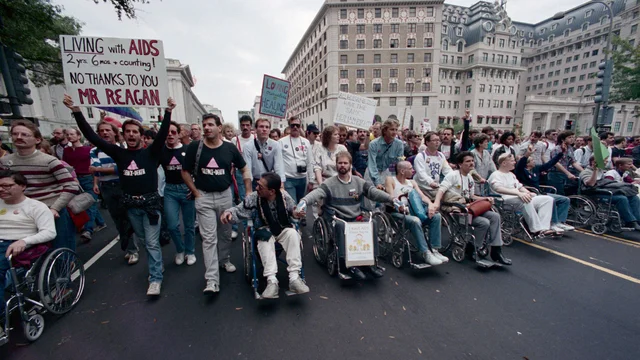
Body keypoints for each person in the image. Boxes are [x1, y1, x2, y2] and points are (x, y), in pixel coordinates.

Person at [65, 94, 174, 297]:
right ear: (123, 135)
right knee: (143, 240)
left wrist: (168, 112)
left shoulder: (151, 153)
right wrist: (77, 111)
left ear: (141, 136)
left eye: (135, 132)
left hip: (150, 206)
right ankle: (157, 264)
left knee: (151, 242)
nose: (132, 135)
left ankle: (155, 278)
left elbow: (162, 134)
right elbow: (92, 137)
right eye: (128, 132)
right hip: (131, 207)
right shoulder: (119, 154)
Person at [182, 113, 252, 294]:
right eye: (204, 125)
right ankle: (212, 280)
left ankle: (224, 259)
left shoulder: (229, 148)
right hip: (203, 198)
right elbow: (184, 172)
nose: (206, 128)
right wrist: (196, 192)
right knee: (209, 238)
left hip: (224, 197)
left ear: (219, 128)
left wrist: (248, 191)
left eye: (210, 124)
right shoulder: (194, 148)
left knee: (226, 233)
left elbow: (244, 168)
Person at [296, 151, 391, 280]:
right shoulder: (329, 183)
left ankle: (371, 262)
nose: (342, 165)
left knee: (372, 223)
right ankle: (347, 264)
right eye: (340, 163)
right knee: (341, 226)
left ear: (350, 165)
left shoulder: (359, 181)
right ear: (336, 165)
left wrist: (391, 199)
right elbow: (317, 193)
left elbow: (373, 192)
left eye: (345, 163)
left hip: (355, 216)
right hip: (337, 218)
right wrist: (304, 201)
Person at [220, 172, 309, 298]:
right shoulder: (253, 198)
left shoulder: (284, 196)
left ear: (272, 191)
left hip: (282, 228)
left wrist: (296, 214)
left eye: (260, 187)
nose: (257, 188)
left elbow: (292, 211)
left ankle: (294, 278)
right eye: (257, 185)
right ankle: (272, 281)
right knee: (265, 239)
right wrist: (228, 212)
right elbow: (238, 210)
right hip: (263, 230)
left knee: (293, 234)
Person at [0, 120, 79, 252]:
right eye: (15, 134)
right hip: (20, 212)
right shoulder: (5, 162)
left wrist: (55, 208)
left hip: (49, 209)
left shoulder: (49, 161)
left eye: (25, 135)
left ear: (37, 139)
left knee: (60, 248)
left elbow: (71, 185)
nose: (19, 137)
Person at [0, 170, 56, 338]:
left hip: (17, 246)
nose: (2, 189)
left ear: (22, 186)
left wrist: (24, 241)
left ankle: (1, 320)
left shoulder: (36, 207)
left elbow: (49, 232)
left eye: (7, 186)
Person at [434, 152, 511, 265]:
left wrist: (485, 198)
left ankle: (496, 250)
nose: (471, 163)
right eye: (468, 161)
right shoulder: (453, 175)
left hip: (469, 208)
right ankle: (475, 247)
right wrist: (436, 203)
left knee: (495, 216)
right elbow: (441, 189)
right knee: (483, 222)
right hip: (456, 209)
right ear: (460, 164)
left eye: (472, 161)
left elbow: (471, 196)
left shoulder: (469, 177)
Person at [89, 121, 138, 264]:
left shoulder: (122, 148)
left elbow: (119, 169)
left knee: (128, 218)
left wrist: (102, 170)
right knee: (117, 219)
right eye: (101, 131)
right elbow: (94, 169)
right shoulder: (94, 151)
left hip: (122, 185)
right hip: (106, 187)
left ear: (115, 133)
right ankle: (129, 247)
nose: (105, 133)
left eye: (107, 130)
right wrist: (96, 183)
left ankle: (132, 249)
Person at [384, 161, 446, 265]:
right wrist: (399, 206)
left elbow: (422, 196)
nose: (413, 170)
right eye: (410, 168)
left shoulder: (412, 182)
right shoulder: (391, 180)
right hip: (397, 213)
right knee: (415, 220)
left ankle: (434, 249)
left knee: (437, 216)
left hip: (415, 211)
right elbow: (391, 197)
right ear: (402, 171)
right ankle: (425, 252)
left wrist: (431, 205)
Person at [490, 153, 559, 236]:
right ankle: (536, 229)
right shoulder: (496, 175)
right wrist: (518, 193)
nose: (514, 162)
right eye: (512, 161)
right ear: (504, 163)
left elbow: (520, 186)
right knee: (526, 199)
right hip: (504, 201)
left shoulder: (511, 175)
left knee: (547, 199)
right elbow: (498, 188)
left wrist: (528, 192)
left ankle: (544, 228)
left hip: (519, 199)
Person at [515, 142, 574, 232]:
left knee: (565, 199)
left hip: (540, 192)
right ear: (527, 164)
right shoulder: (521, 171)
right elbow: (521, 164)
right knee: (551, 199)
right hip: (531, 193)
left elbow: (549, 164)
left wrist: (560, 154)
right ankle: (553, 223)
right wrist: (527, 154)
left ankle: (560, 222)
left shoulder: (536, 169)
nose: (534, 161)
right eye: (532, 160)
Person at [161, 122, 196, 266]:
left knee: (189, 225)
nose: (170, 135)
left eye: (173, 132)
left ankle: (190, 251)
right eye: (167, 132)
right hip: (170, 191)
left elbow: (196, 170)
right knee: (172, 225)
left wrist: (194, 188)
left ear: (179, 134)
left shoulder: (188, 150)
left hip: (186, 189)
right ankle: (180, 250)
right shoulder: (161, 151)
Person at [63, 127, 106, 242]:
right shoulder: (66, 151)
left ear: (78, 136)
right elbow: (65, 166)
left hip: (88, 178)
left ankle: (88, 230)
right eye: (67, 134)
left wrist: (96, 181)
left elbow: (95, 166)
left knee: (90, 202)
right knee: (84, 202)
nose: (69, 136)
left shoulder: (88, 150)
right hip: (74, 179)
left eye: (72, 134)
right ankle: (101, 222)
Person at [580, 156, 640, 231]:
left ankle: (638, 220)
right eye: (603, 161)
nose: (606, 162)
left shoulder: (601, 170)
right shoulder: (585, 172)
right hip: (593, 194)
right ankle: (630, 221)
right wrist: (595, 170)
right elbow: (591, 184)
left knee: (633, 197)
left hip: (603, 191)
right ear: (593, 162)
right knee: (621, 199)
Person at [243, 118, 286, 189]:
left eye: (267, 127)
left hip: (270, 182)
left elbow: (279, 166)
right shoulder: (248, 146)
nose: (264, 129)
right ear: (255, 129)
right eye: (261, 126)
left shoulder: (275, 145)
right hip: (255, 182)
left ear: (269, 130)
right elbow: (247, 169)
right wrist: (248, 190)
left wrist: (281, 188)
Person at [279, 116, 312, 204]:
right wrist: (281, 180)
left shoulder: (306, 142)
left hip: (303, 179)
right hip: (289, 179)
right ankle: (294, 218)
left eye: (297, 125)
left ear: (300, 126)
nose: (295, 127)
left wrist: (311, 180)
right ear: (289, 126)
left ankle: (300, 218)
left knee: (301, 204)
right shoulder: (281, 142)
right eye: (293, 125)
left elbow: (309, 161)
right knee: (292, 204)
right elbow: (279, 163)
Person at [366, 119, 404, 188]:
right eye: (392, 129)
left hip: (387, 173)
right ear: (385, 130)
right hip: (372, 173)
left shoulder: (399, 144)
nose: (395, 132)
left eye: (396, 129)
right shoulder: (374, 144)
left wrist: (398, 179)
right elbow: (372, 164)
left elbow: (400, 163)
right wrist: (377, 182)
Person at [413, 131, 453, 198]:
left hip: (436, 188)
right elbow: (421, 173)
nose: (437, 142)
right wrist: (430, 182)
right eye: (434, 140)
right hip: (423, 188)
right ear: (427, 142)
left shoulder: (441, 155)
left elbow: (447, 170)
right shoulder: (420, 156)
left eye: (438, 140)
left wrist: (454, 177)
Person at [547, 131, 584, 195]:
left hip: (565, 173)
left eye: (573, 137)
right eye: (569, 137)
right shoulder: (557, 149)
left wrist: (584, 172)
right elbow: (556, 163)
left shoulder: (570, 148)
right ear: (563, 139)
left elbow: (573, 162)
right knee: (558, 193)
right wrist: (568, 173)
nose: (572, 139)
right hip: (556, 174)